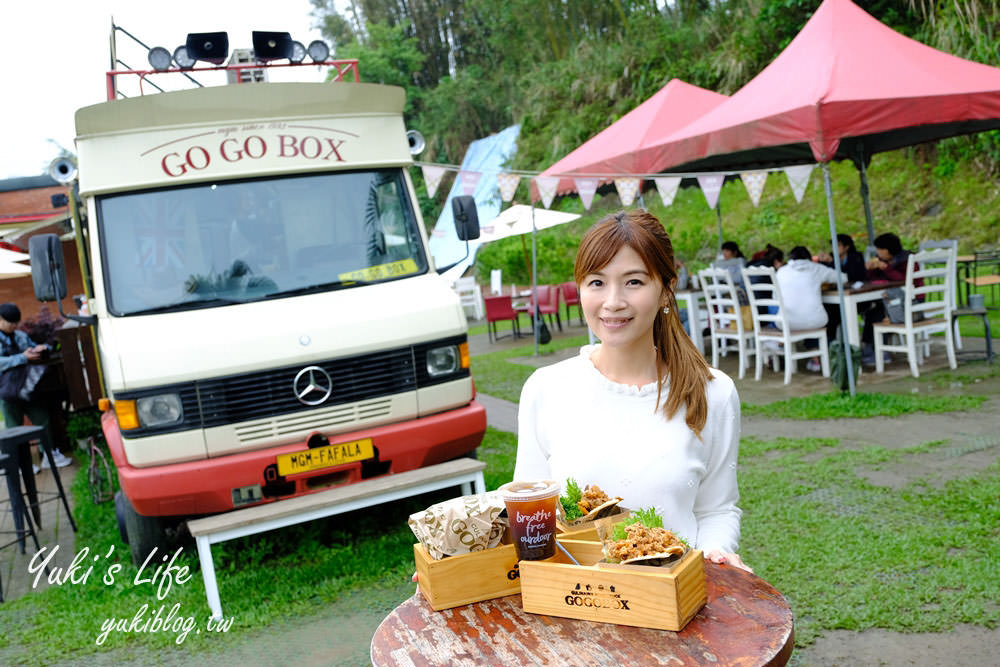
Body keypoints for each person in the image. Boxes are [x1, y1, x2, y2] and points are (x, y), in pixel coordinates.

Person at [513, 210, 750, 571]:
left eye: (634, 282)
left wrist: (716, 555)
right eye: (597, 282)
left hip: (672, 605)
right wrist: (456, 565)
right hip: (575, 606)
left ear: (666, 291)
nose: (613, 301)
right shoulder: (546, 389)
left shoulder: (712, 392)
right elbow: (528, 517)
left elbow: (716, 509)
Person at [0, 303, 71, 470]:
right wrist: (23, 357)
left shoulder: (19, 335)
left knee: (42, 419)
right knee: (14, 428)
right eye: (10, 323)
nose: (13, 326)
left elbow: (30, 347)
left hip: (28, 386)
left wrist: (41, 349)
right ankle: (20, 463)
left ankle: (48, 454)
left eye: (15, 323)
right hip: (7, 391)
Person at [775, 247, 847, 371]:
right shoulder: (816, 268)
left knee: (789, 313)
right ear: (809, 258)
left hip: (787, 322)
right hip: (815, 321)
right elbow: (843, 278)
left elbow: (775, 297)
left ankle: (778, 344)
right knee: (811, 316)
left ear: (790, 258)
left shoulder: (781, 271)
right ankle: (816, 358)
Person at [860, 233, 919, 364]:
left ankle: (880, 352)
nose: (878, 252)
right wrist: (869, 269)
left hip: (912, 303)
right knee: (875, 310)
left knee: (879, 312)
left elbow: (904, 280)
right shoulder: (883, 261)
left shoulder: (908, 260)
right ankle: (871, 347)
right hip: (892, 301)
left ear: (890, 249)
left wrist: (887, 269)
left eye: (881, 249)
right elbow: (872, 279)